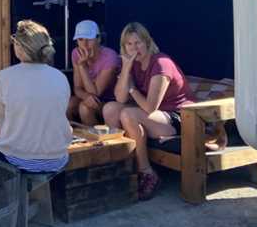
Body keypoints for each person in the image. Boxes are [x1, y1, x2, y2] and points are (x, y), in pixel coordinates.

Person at [102, 22, 196, 200]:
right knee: (110, 109)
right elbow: (119, 98)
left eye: (138, 42)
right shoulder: (133, 63)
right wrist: (127, 68)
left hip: (180, 117)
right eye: (129, 44)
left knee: (128, 114)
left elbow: (150, 107)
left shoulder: (161, 63)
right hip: (155, 116)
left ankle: (147, 172)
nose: (134, 48)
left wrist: (132, 90)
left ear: (147, 42)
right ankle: (123, 166)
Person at [0, 20, 72, 172]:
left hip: (15, 159)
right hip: (57, 160)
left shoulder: (4, 77)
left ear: (20, 47)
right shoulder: (60, 77)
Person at [66, 20, 120, 125]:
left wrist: (82, 66)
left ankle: (96, 140)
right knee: (69, 104)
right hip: (91, 97)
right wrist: (86, 96)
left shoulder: (110, 56)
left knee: (85, 107)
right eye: (80, 39)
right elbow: (77, 88)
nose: (85, 45)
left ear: (98, 39)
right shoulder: (76, 53)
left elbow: (95, 93)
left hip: (110, 101)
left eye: (89, 39)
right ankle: (74, 137)